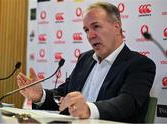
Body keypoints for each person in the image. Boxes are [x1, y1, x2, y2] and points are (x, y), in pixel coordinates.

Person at [17, 2, 156, 123]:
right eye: (86, 30)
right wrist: (40, 96)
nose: (90, 35)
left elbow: (127, 103)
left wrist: (88, 109)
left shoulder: (140, 64)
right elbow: (63, 96)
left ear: (117, 26)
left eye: (96, 27)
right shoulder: (85, 59)